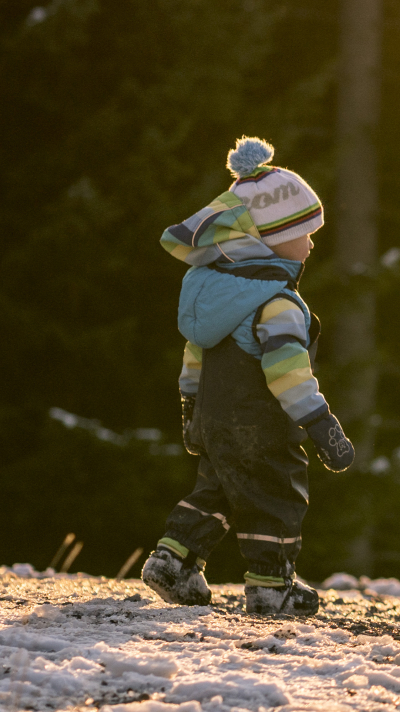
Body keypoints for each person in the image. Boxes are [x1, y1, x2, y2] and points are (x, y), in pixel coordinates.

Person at [138, 136, 355, 616]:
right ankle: (271, 586)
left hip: (216, 418)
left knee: (216, 489)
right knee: (277, 495)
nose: (312, 241)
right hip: (262, 424)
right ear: (269, 238)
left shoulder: (218, 297)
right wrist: (321, 423)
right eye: (304, 231)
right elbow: (288, 375)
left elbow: (194, 357)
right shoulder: (277, 304)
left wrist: (191, 410)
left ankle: (173, 561)